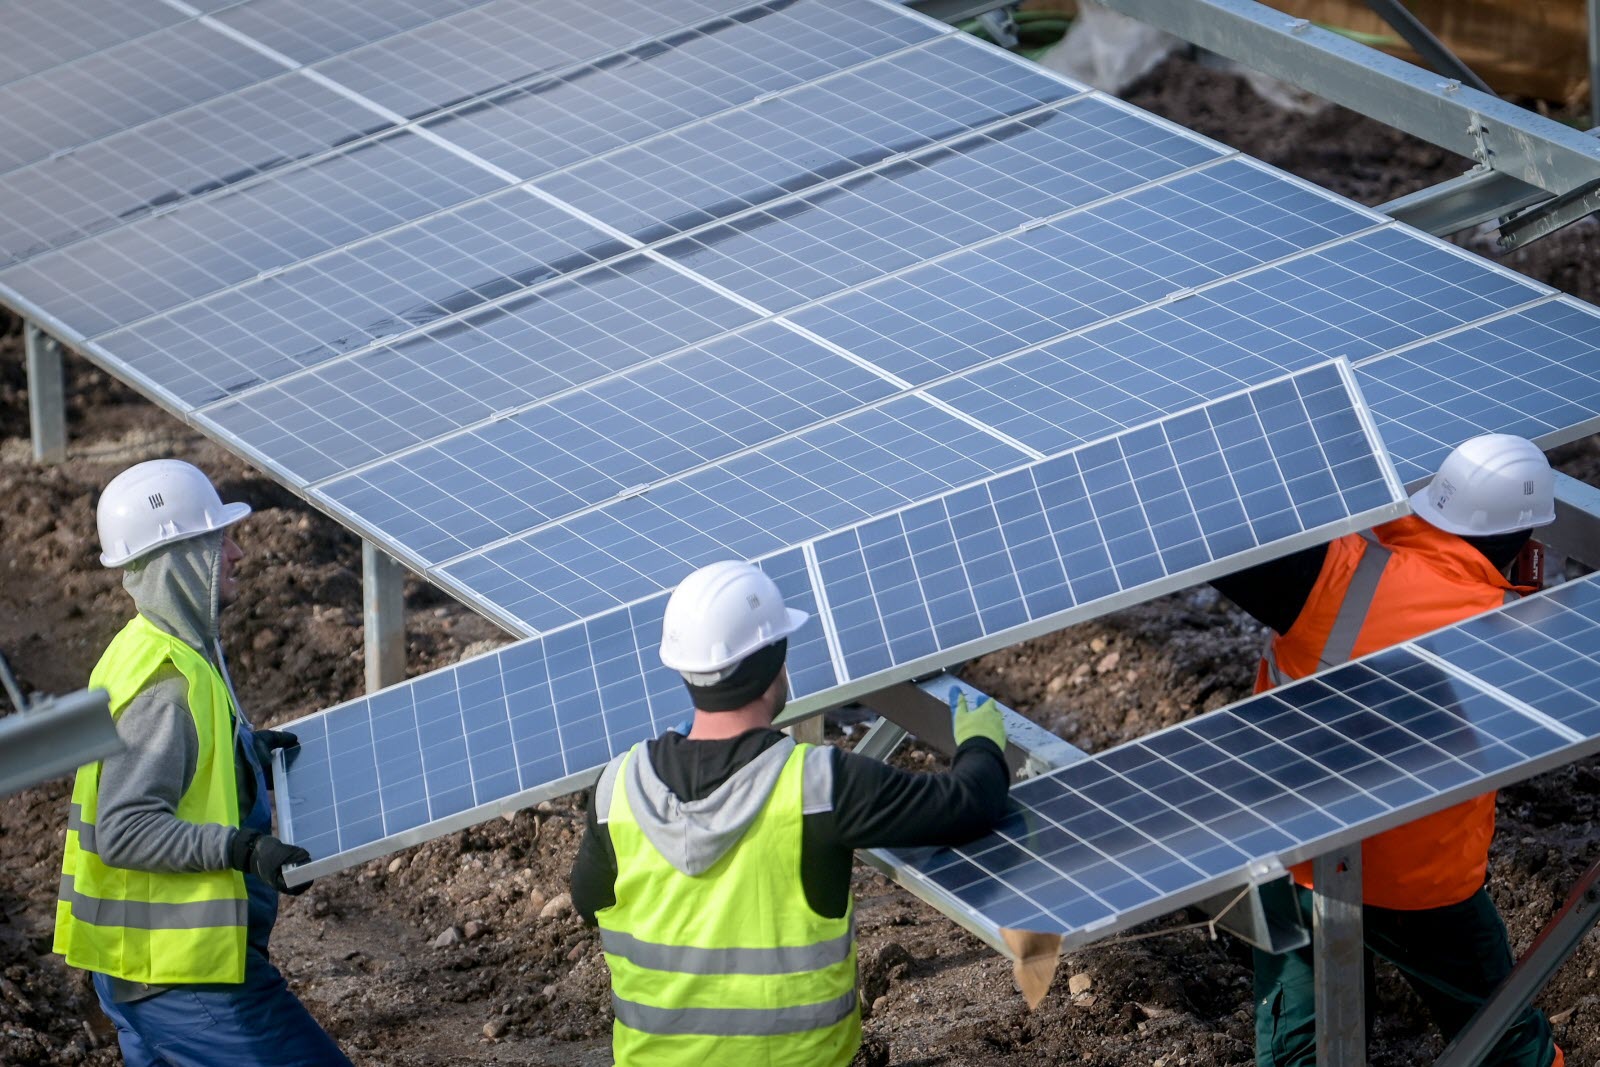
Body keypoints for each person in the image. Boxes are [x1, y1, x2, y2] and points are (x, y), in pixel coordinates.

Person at [570, 559, 1011, 1065]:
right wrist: (980, 741)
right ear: (774, 661)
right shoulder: (818, 786)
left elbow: (590, 904)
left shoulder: (617, 790)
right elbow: (968, 805)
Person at [1212, 433, 1563, 1067]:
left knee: (1302, 1049)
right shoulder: (1515, 633)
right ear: (1523, 542)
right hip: (1425, 880)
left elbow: (1211, 526)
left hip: (1300, 853)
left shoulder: (1338, 569)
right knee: (1505, 1036)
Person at [54, 459, 350, 1067]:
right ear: (179, 558)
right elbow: (125, 828)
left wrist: (246, 755)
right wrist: (244, 850)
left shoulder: (155, 646)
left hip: (143, 968)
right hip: (184, 981)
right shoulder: (164, 684)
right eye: (221, 541)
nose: (239, 554)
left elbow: (180, 772)